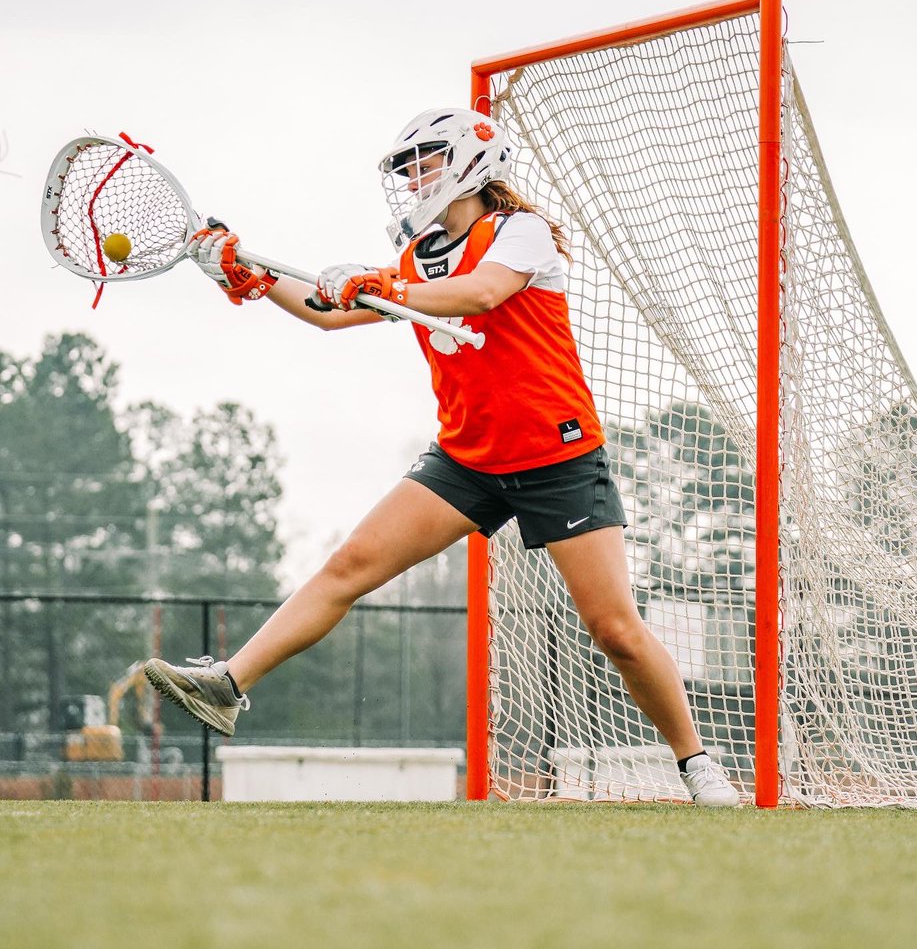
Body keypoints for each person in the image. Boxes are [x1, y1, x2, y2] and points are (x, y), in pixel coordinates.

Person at [144, 108, 739, 806]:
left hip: (558, 455)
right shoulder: (417, 252)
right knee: (348, 566)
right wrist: (242, 273)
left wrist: (382, 286)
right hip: (469, 458)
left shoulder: (522, 232)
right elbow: (328, 311)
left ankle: (695, 761)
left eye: (423, 162)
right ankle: (229, 683)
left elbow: (482, 292)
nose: (412, 178)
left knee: (615, 631)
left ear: (468, 163)